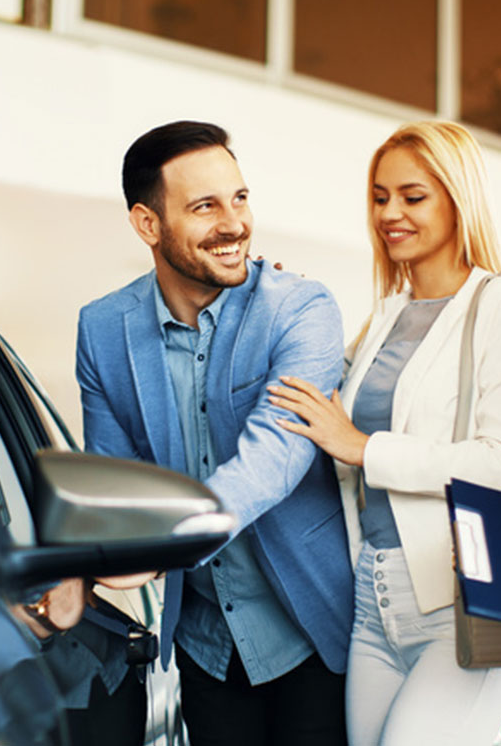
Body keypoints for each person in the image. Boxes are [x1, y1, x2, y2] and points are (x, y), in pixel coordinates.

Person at [270, 121, 501, 745]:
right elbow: (325, 429)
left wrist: (365, 448)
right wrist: (270, 308)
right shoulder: (384, 319)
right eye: (379, 197)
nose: (390, 213)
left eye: (412, 196)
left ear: (459, 199)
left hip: (463, 602)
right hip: (374, 605)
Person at [72, 119, 354, 746]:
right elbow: (117, 486)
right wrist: (86, 561)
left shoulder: (301, 310)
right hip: (205, 646)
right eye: (205, 207)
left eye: (240, 198)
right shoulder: (102, 331)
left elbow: (274, 456)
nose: (234, 224)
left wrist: (163, 546)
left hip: (313, 632)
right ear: (148, 224)